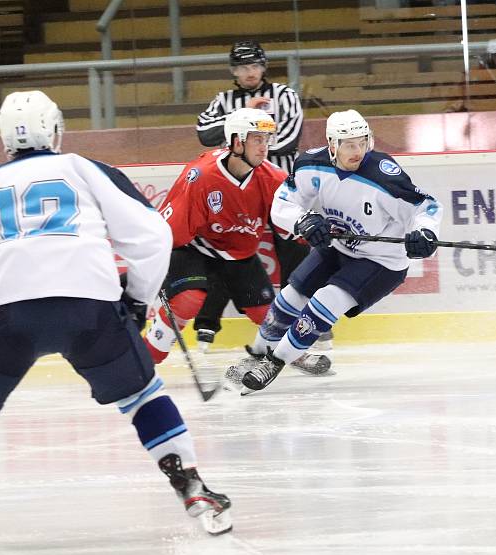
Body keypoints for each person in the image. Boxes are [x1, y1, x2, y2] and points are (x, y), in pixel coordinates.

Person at [0, 91, 231, 555]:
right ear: (55, 131)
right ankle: (191, 485)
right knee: (142, 396)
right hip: (90, 310)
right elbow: (152, 235)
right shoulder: (83, 169)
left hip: (9, 317)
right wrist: (136, 300)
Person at [237, 109, 443, 393]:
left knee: (326, 299)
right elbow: (283, 203)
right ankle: (257, 353)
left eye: (362, 142)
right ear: (332, 145)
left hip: (380, 261)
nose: (358, 151)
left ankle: (275, 361)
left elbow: (426, 206)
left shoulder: (383, 174)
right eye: (349, 144)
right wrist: (304, 221)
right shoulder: (311, 165)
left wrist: (425, 233)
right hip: (339, 247)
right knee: (290, 296)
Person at [143, 107, 327, 375]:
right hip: (196, 250)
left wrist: (308, 226)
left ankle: (290, 352)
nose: (265, 148)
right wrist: (156, 256)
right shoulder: (201, 176)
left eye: (266, 140)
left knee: (269, 314)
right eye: (257, 140)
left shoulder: (272, 178)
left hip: (240, 255)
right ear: (237, 141)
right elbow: (170, 225)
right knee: (188, 299)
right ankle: (147, 357)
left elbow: (289, 215)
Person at [194, 40, 316, 351]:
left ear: (263, 67)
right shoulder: (225, 100)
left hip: (281, 187)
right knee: (229, 249)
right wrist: (241, 116)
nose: (250, 72)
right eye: (242, 67)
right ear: (234, 71)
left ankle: (300, 320)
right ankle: (207, 323)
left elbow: (289, 139)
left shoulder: (285, 95)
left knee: (294, 253)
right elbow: (203, 133)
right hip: (238, 190)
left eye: (254, 66)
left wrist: (243, 141)